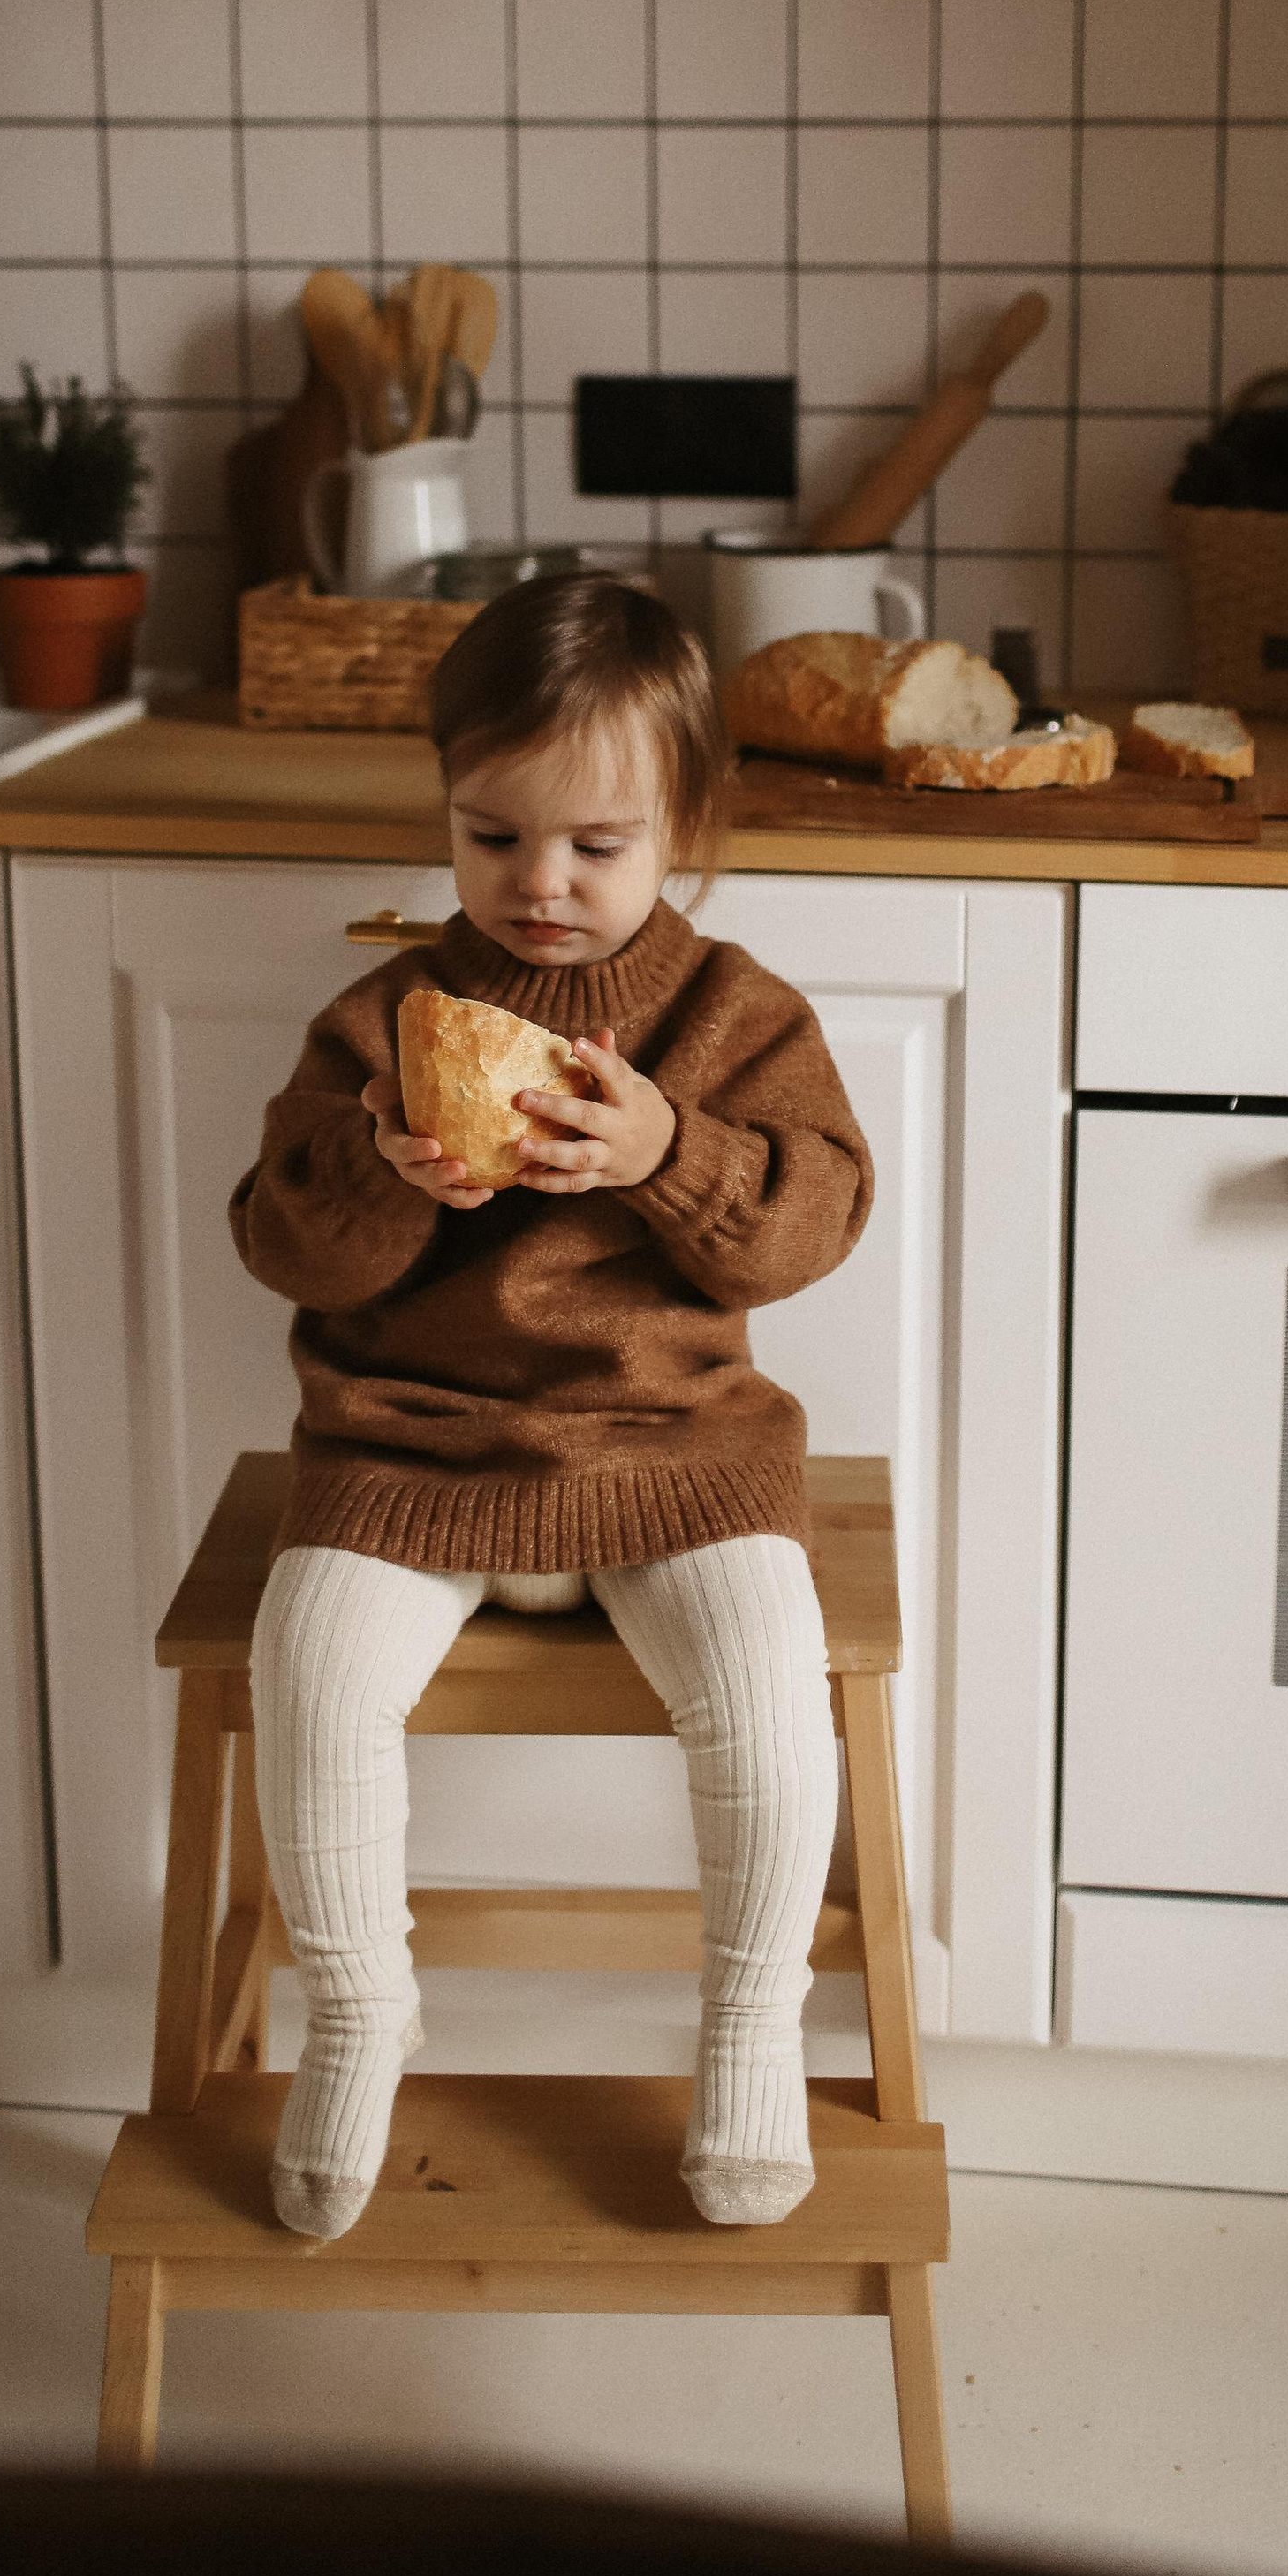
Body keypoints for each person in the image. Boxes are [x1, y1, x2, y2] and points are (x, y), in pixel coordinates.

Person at [231, 572, 874, 2242]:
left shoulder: (733, 1013)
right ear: (446, 815)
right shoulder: (384, 1020)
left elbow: (820, 1215)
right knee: (305, 1682)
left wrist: (678, 1158)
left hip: (674, 1449)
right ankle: (363, 2019)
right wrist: (384, 1176)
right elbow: (277, 1239)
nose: (542, 884)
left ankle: (748, 2033)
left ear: (684, 829)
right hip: (411, 1442)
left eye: (598, 844)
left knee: (766, 1708)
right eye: (492, 836)